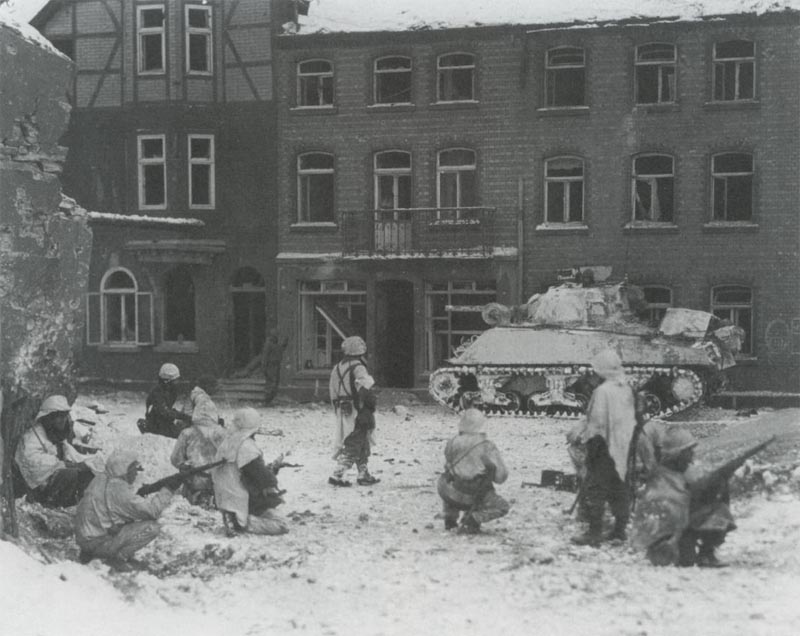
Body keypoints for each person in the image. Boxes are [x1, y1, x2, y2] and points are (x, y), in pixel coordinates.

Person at [632, 427, 737, 568]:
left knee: (719, 509)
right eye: (688, 451)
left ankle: (707, 553)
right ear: (677, 454)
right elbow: (665, 514)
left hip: (684, 530)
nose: (691, 456)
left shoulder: (686, 472)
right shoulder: (660, 480)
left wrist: (716, 486)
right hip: (667, 539)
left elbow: (696, 496)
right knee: (684, 561)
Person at [570, 349, 637, 546]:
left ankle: (594, 532)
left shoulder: (602, 391)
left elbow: (597, 422)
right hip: (624, 443)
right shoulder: (625, 387)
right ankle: (619, 530)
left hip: (603, 445)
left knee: (595, 488)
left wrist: (587, 440)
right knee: (620, 486)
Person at [74, 449, 175, 572]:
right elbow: (152, 511)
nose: (136, 474)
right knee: (153, 527)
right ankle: (117, 558)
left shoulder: (100, 479)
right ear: (124, 470)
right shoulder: (117, 487)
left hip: (86, 541)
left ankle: (96, 554)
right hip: (98, 543)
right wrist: (168, 490)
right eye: (133, 470)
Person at [211, 408, 289, 536]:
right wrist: (272, 475)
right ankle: (243, 523)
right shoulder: (246, 446)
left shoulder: (229, 442)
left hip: (226, 495)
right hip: (241, 497)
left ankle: (235, 518)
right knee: (281, 525)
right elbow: (263, 478)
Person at [14, 395, 97, 508]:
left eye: (64, 416)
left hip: (53, 479)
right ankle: (52, 506)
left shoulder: (55, 433)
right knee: (69, 474)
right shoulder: (32, 436)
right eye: (58, 417)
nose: (62, 420)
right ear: (48, 417)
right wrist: (68, 465)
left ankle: (79, 506)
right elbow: (33, 463)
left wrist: (86, 464)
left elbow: (67, 452)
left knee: (89, 474)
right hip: (38, 486)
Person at [437, 408, 510, 534]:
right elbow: (500, 477)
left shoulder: (452, 441)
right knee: (502, 506)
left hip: (449, 493)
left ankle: (450, 518)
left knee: (452, 478)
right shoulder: (486, 445)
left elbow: (448, 465)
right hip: (471, 495)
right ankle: (473, 519)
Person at [328, 335, 380, 487]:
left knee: (361, 440)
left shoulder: (337, 367)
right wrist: (370, 405)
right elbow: (365, 387)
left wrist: (337, 410)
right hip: (358, 408)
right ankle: (337, 473)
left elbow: (332, 391)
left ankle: (363, 473)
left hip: (342, 408)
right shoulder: (358, 367)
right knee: (356, 440)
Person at [170, 382, 226, 506]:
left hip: (195, 480)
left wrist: (186, 464)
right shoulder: (223, 434)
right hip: (218, 481)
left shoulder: (187, 433)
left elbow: (175, 459)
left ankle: (196, 495)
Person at [232, 330, 289, 406]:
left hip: (275, 366)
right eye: (275, 335)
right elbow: (264, 357)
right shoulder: (268, 344)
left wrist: (286, 341)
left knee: (274, 382)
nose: (277, 337)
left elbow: (281, 348)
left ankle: (270, 400)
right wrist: (264, 367)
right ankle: (267, 401)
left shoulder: (275, 345)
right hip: (270, 366)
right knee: (271, 383)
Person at [139, 363, 192, 438]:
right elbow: (164, 412)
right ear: (167, 381)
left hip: (163, 421)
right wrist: (184, 417)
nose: (177, 382)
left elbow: (168, 409)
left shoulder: (170, 391)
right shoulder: (157, 393)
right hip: (156, 424)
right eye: (175, 380)